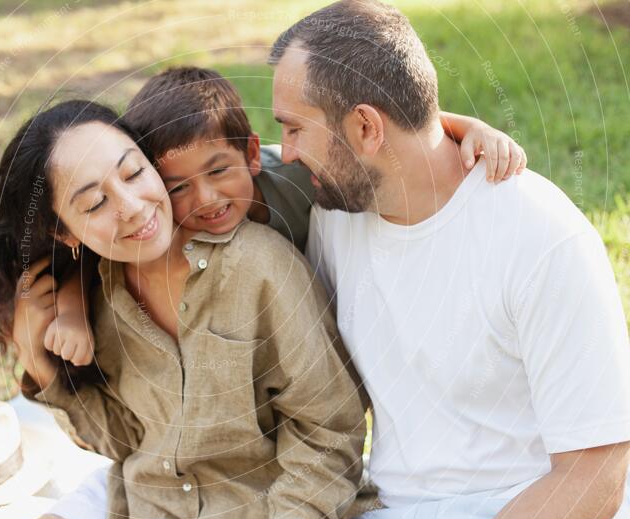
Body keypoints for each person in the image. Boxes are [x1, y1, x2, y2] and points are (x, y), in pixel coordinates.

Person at [268, 0, 630, 519]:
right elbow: (189, 177)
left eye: (295, 128)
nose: (289, 151)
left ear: (366, 127)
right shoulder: (339, 208)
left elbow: (595, 474)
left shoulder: (540, 237)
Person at [0, 99, 369, 519]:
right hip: (149, 516)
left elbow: (328, 435)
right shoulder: (99, 299)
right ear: (64, 232)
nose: (131, 206)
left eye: (134, 173)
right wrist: (39, 363)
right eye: (94, 204)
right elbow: (130, 440)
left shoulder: (259, 267)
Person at [43, 66, 526, 369]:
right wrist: (69, 311)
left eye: (218, 171)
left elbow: (387, 141)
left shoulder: (295, 177)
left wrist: (465, 127)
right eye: (179, 187)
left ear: (252, 154)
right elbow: (90, 256)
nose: (206, 198)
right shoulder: (155, 217)